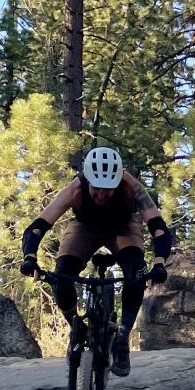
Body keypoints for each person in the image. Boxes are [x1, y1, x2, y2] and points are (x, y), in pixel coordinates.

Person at [19, 145, 174, 375]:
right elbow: (38, 227)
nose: (101, 196)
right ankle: (76, 327)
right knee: (62, 274)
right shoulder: (75, 189)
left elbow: (159, 228)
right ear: (88, 181)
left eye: (108, 191)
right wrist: (30, 257)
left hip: (123, 227)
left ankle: (121, 339)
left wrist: (159, 262)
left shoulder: (131, 186)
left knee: (136, 273)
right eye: (96, 190)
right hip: (85, 227)